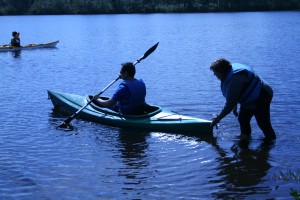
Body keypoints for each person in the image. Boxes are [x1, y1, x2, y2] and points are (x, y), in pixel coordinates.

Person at [210, 58, 276, 141]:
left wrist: (218, 118)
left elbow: (228, 105)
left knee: (263, 123)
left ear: (221, 72)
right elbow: (237, 93)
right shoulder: (229, 73)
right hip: (251, 95)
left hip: (263, 95)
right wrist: (235, 107)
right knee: (243, 118)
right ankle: (245, 139)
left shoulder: (234, 80)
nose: (214, 75)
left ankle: (271, 143)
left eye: (215, 72)